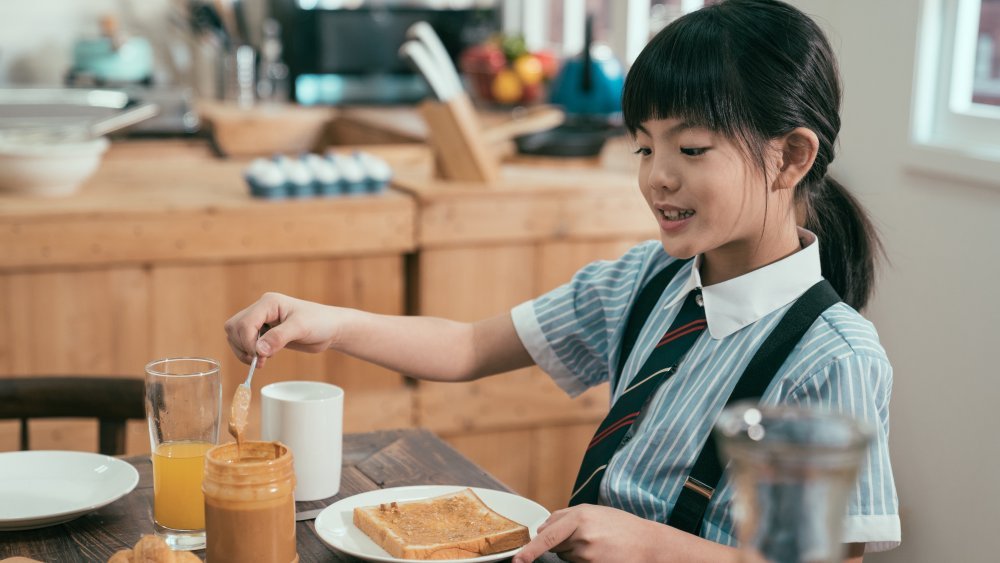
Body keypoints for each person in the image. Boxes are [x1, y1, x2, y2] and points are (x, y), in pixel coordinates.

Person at [224, 0, 900, 560]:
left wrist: (650, 546)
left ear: (791, 158)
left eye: (691, 149)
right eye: (645, 145)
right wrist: (328, 322)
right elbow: (466, 346)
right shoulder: (646, 279)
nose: (657, 175)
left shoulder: (835, 356)